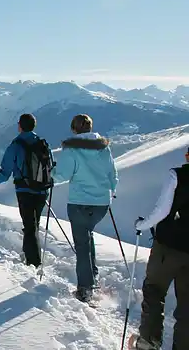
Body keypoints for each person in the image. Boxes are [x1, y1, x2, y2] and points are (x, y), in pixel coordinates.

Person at [50, 114, 118, 302]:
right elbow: (112, 174)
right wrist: (111, 191)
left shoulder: (72, 149)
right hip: (102, 204)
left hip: (80, 202)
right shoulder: (104, 148)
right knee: (87, 236)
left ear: (74, 129)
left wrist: (51, 172)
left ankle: (85, 289)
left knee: (82, 244)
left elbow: (62, 175)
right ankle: (92, 276)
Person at [129, 146, 189, 350]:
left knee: (154, 291)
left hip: (168, 247)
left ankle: (149, 341)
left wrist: (141, 224)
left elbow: (162, 210)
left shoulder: (176, 176)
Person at [0, 113, 51, 268]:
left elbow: (4, 174)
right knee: (33, 223)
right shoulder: (43, 143)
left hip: (25, 190)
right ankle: (29, 254)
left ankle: (33, 263)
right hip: (42, 190)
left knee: (29, 225)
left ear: (20, 126)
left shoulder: (15, 145)